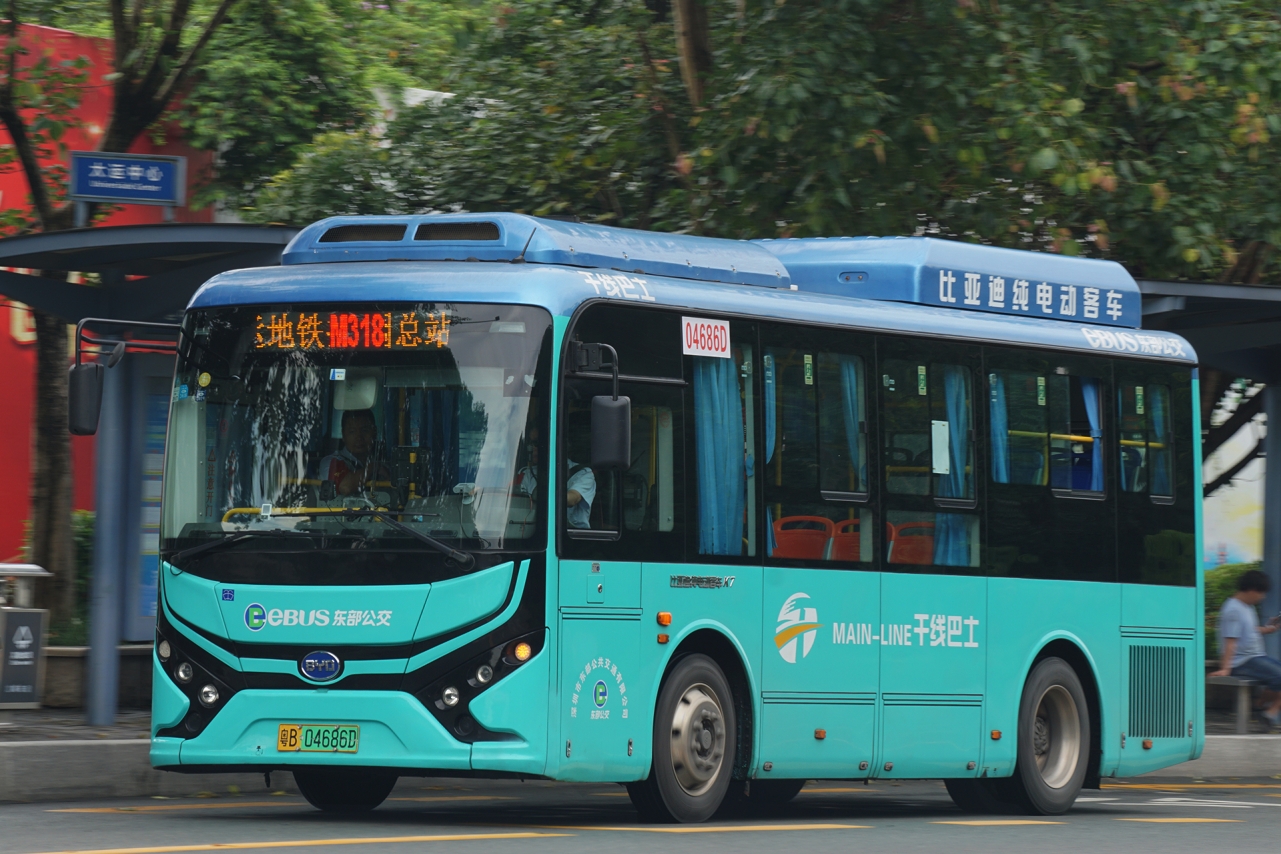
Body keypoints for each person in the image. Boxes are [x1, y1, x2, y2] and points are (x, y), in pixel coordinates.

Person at [1211, 569, 1281, 728]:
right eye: (1261, 593)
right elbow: (1230, 641)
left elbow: (1249, 630)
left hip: (1255, 658)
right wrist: (1225, 669)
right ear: (1252, 590)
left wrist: (1267, 629)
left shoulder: (1247, 607)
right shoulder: (1233, 609)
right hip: (1242, 661)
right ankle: (1264, 710)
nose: (1263, 597)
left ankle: (1262, 709)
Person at [319, 409, 389, 497]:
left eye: (364, 430)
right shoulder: (331, 462)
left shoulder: (383, 463)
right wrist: (373, 467)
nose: (359, 437)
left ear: (374, 432)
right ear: (343, 435)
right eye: (352, 431)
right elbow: (345, 487)